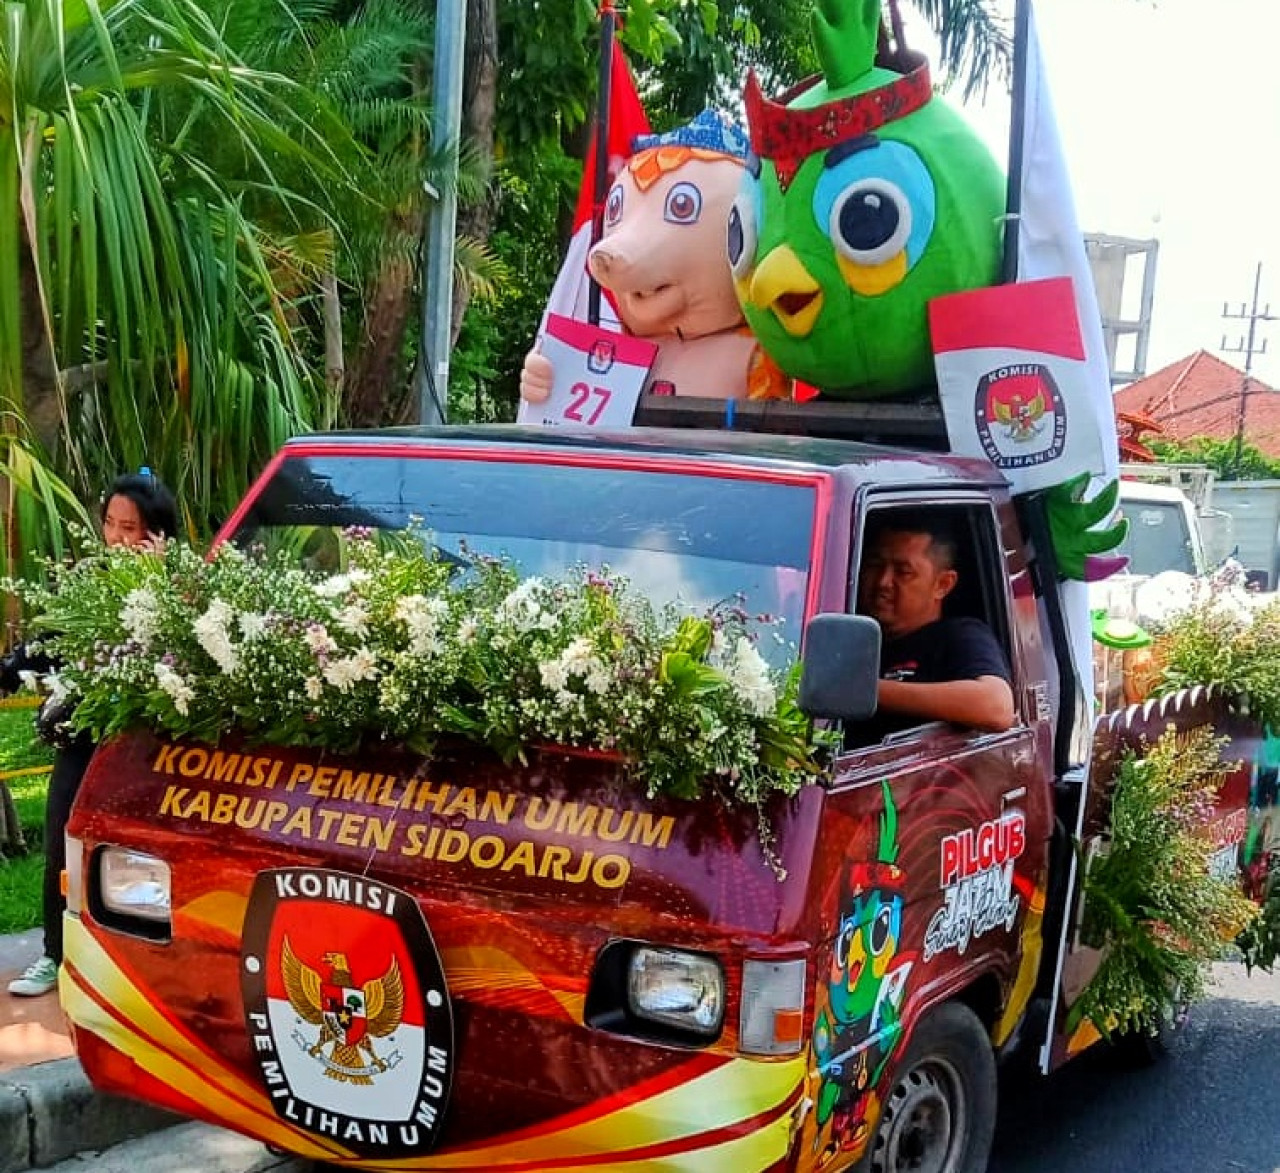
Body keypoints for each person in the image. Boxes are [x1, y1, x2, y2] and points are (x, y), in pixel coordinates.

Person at [5, 472, 179, 997]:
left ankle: (136, 963)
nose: (118, 538)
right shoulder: (89, 582)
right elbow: (46, 647)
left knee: (140, 858)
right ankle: (54, 955)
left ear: (157, 534)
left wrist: (157, 587)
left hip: (144, 748)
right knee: (64, 841)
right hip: (83, 739)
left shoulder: (177, 588)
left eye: (131, 528)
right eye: (110, 524)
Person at [856, 517, 1015, 736]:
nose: (883, 581)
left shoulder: (958, 636)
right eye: (875, 565)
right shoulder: (849, 636)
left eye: (903, 572)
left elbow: (996, 707)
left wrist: (867, 691)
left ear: (943, 584)